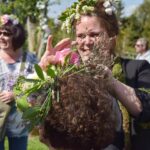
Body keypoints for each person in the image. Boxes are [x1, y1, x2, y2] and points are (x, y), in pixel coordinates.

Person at [39, 0, 150, 150]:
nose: (87, 42)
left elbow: (146, 108)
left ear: (112, 35)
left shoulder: (136, 68)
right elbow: (49, 130)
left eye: (94, 34)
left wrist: (111, 82)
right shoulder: (68, 74)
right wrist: (42, 74)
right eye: (81, 36)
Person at [0, 14, 38, 150]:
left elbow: (38, 87)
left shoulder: (31, 59)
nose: (1, 37)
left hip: (20, 123)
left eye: (6, 34)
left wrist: (16, 95)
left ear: (16, 36)